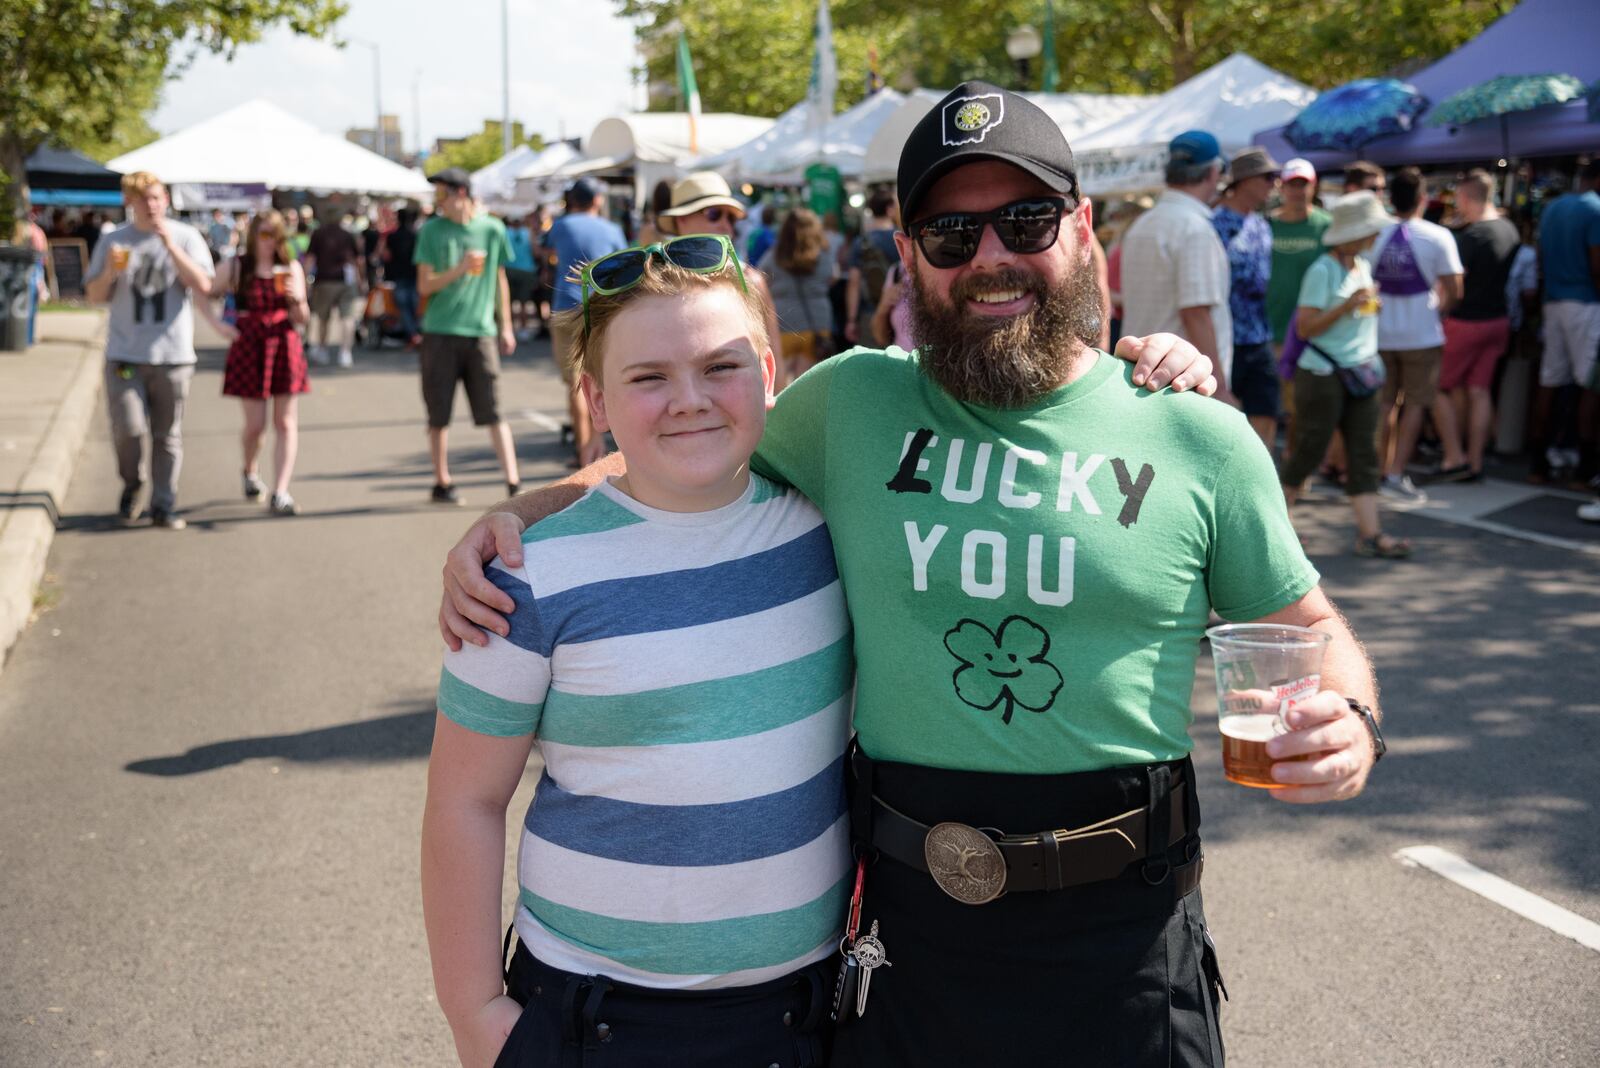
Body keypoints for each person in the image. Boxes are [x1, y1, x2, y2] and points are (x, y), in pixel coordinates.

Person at [437, 81, 1384, 1067]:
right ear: (909, 256)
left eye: (1024, 221)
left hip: (1126, 952)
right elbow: (677, 454)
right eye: (949, 235)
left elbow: (1309, 629)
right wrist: (511, 516)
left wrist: (1349, 722)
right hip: (910, 949)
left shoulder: (1195, 435)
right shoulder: (848, 403)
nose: (990, 259)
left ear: (1083, 228)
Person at [422, 236, 843, 1068]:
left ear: (769, 370)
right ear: (594, 397)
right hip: (595, 1012)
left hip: (807, 1011)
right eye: (647, 377)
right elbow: (464, 803)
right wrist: (474, 1011)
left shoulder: (828, 526)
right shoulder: (525, 573)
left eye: (720, 367)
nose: (688, 400)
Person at [83, 170, 219, 530]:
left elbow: (205, 285)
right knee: (127, 429)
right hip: (126, 354)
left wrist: (170, 246)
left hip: (172, 356)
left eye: (157, 197)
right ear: (131, 202)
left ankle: (164, 504)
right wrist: (110, 271)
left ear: (167, 200)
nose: (152, 205)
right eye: (144, 198)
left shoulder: (187, 237)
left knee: (167, 435)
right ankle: (132, 483)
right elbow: (95, 296)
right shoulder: (114, 240)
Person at [1279, 192, 1411, 558]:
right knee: (1309, 449)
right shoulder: (1323, 269)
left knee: (1365, 452)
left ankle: (1370, 534)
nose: (1375, 237)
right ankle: (1276, 526)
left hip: (1360, 371)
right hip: (1323, 373)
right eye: (1371, 230)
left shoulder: (1359, 265)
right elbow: (1306, 327)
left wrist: (1365, 306)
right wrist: (1349, 305)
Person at [415, 167, 521, 504]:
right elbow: (424, 285)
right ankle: (441, 481)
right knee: (439, 413)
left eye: (441, 193)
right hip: (440, 331)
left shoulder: (492, 228)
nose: (437, 200)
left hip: (481, 332)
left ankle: (514, 483)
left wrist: (505, 325)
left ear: (460, 193)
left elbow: (499, 278)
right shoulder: (431, 231)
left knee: (494, 409)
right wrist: (459, 268)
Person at [1121, 129, 1236, 403]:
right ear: (1213, 173)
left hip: (1141, 374)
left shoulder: (1143, 223)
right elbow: (1195, 312)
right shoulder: (1194, 228)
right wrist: (1219, 389)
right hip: (1183, 383)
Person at [1372, 166, 1464, 501]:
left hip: (1380, 334)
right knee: (1414, 405)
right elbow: (1455, 287)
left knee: (1383, 404)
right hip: (1422, 335)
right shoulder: (1438, 236)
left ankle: (1378, 470)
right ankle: (1394, 473)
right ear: (1423, 199)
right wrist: (1440, 309)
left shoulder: (1375, 233)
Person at [218, 209, 311, 516]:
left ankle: (280, 490)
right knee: (255, 427)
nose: (271, 242)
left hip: (284, 343)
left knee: (285, 422)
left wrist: (296, 298)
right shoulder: (237, 267)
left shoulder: (291, 267)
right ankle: (249, 471)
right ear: (254, 235)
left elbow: (303, 319)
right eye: (266, 234)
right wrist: (220, 327)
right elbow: (203, 291)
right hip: (250, 346)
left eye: (277, 235)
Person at [1432, 169, 1521, 481]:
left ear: (1467, 198)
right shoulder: (1509, 229)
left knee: (1439, 388)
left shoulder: (1473, 236)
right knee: (1478, 391)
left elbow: (1454, 286)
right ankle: (1475, 461)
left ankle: (1454, 457)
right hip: (1497, 321)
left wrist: (1440, 310)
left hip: (1465, 323)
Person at [657, 171, 785, 371]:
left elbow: (772, 356)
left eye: (731, 218)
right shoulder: (652, 280)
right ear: (681, 220)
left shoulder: (749, 279)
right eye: (714, 214)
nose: (726, 225)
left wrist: (777, 400)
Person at [544, 177, 629, 467]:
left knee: (577, 384)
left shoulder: (562, 225)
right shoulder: (612, 228)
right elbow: (623, 261)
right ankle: (608, 448)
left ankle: (584, 452)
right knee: (608, 378)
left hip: (567, 307)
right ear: (596, 200)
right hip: (605, 308)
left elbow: (545, 251)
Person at [1532, 158, 1600, 504]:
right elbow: (1596, 263)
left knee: (1551, 379)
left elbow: (1541, 257)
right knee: (1589, 383)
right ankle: (1586, 469)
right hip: (1584, 304)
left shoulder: (1554, 208)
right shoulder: (1595, 210)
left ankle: (1539, 461)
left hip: (1554, 302)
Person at [1213, 146, 1282, 451]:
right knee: (1222, 415)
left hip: (1258, 335)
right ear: (1244, 180)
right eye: (1268, 177)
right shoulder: (1214, 225)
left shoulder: (1262, 225)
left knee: (1267, 408)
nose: (1274, 184)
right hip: (1225, 338)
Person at [1268, 159, 1333, 456]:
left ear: (1313, 185)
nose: (1297, 191)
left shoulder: (1326, 226)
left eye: (1302, 184)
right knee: (1270, 404)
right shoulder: (1267, 225)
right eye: (1292, 184)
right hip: (1270, 328)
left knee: (1300, 407)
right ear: (1282, 187)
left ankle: (1294, 464)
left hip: (1311, 331)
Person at [758, 207, 838, 382]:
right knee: (806, 384)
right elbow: (832, 278)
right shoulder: (824, 255)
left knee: (779, 381)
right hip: (817, 322)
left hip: (784, 322)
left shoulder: (774, 255)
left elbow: (759, 279)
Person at [303, 211, 366, 367]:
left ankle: (324, 349)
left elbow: (310, 259)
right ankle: (345, 352)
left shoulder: (318, 234)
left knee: (324, 318)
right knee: (347, 317)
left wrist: (304, 279)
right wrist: (361, 280)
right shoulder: (347, 234)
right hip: (344, 280)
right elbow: (356, 260)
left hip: (325, 281)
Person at [844, 189, 899, 348]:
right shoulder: (901, 238)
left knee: (872, 364)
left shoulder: (861, 242)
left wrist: (851, 320)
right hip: (898, 309)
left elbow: (854, 283)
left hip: (869, 312)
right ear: (889, 209)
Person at [385, 206, 421, 343]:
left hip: (399, 275)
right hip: (413, 275)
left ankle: (412, 335)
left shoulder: (393, 236)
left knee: (404, 307)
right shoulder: (416, 235)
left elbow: (386, 255)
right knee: (413, 306)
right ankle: (414, 333)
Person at [503, 214, 539, 338]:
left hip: (508, 269)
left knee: (509, 302)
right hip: (526, 270)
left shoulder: (504, 232)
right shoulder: (528, 233)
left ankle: (511, 329)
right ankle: (523, 329)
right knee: (524, 303)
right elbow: (536, 252)